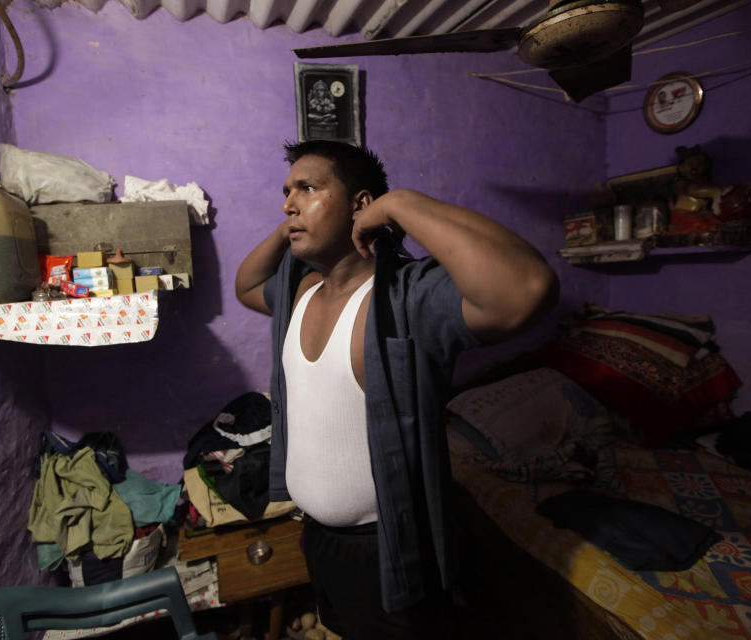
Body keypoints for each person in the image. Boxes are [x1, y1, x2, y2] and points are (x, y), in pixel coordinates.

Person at [235, 140, 558, 639]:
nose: (288, 202)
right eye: (286, 192)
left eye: (308, 187)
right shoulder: (300, 292)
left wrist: (400, 203)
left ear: (361, 205)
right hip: (318, 539)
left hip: (389, 551)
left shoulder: (406, 297)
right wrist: (295, 223)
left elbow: (526, 289)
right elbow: (246, 284)